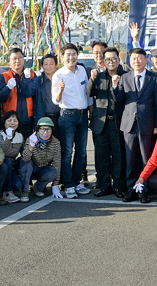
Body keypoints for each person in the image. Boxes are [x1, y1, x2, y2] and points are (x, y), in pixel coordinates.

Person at [114, 47, 157, 202]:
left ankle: (144, 190)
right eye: (133, 58)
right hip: (128, 124)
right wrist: (115, 87)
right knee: (130, 159)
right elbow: (119, 100)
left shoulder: (153, 78)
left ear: (145, 59)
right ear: (130, 61)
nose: (137, 61)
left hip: (147, 123)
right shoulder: (124, 78)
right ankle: (131, 190)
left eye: (140, 58)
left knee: (145, 159)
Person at [52, 43, 91, 198]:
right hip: (68, 116)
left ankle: (76, 182)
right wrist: (61, 89)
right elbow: (56, 100)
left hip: (83, 115)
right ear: (62, 57)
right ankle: (68, 184)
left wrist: (90, 111)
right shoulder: (58, 74)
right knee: (67, 152)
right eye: (67, 55)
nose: (71, 57)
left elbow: (87, 94)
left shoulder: (82, 70)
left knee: (81, 152)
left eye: (73, 54)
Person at [87, 46, 126, 198]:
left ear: (118, 60)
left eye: (114, 59)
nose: (111, 62)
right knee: (101, 156)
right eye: (107, 59)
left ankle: (118, 186)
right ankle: (104, 186)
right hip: (100, 123)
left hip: (118, 123)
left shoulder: (125, 76)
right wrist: (92, 79)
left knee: (118, 156)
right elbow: (90, 93)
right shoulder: (99, 76)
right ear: (103, 61)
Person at [20, 117, 64, 201]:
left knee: (52, 172)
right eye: (42, 129)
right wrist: (31, 146)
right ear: (37, 130)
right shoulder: (31, 139)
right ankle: (25, 191)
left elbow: (57, 163)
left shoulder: (55, 142)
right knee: (26, 163)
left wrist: (55, 184)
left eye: (48, 130)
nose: (45, 132)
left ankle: (37, 187)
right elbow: (25, 158)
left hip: (43, 168)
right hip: (29, 168)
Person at [0, 47, 36, 136]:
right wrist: (8, 88)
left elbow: (31, 93)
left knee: (27, 147)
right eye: (14, 59)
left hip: (27, 119)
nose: (17, 61)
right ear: (9, 61)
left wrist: (27, 79)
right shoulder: (4, 76)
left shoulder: (31, 74)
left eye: (20, 58)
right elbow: (0, 97)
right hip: (11, 120)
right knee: (10, 147)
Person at [0, 111, 25, 203]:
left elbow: (24, 154)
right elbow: (2, 153)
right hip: (0, 165)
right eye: (9, 120)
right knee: (7, 161)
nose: (12, 123)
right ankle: (7, 192)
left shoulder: (20, 136)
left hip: (11, 167)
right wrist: (8, 139)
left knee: (18, 186)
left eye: (15, 121)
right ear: (4, 122)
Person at [34, 53, 61, 128]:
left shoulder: (61, 80)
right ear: (42, 66)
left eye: (51, 64)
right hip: (44, 119)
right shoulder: (37, 81)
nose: (48, 66)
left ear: (56, 65)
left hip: (60, 118)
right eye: (46, 64)